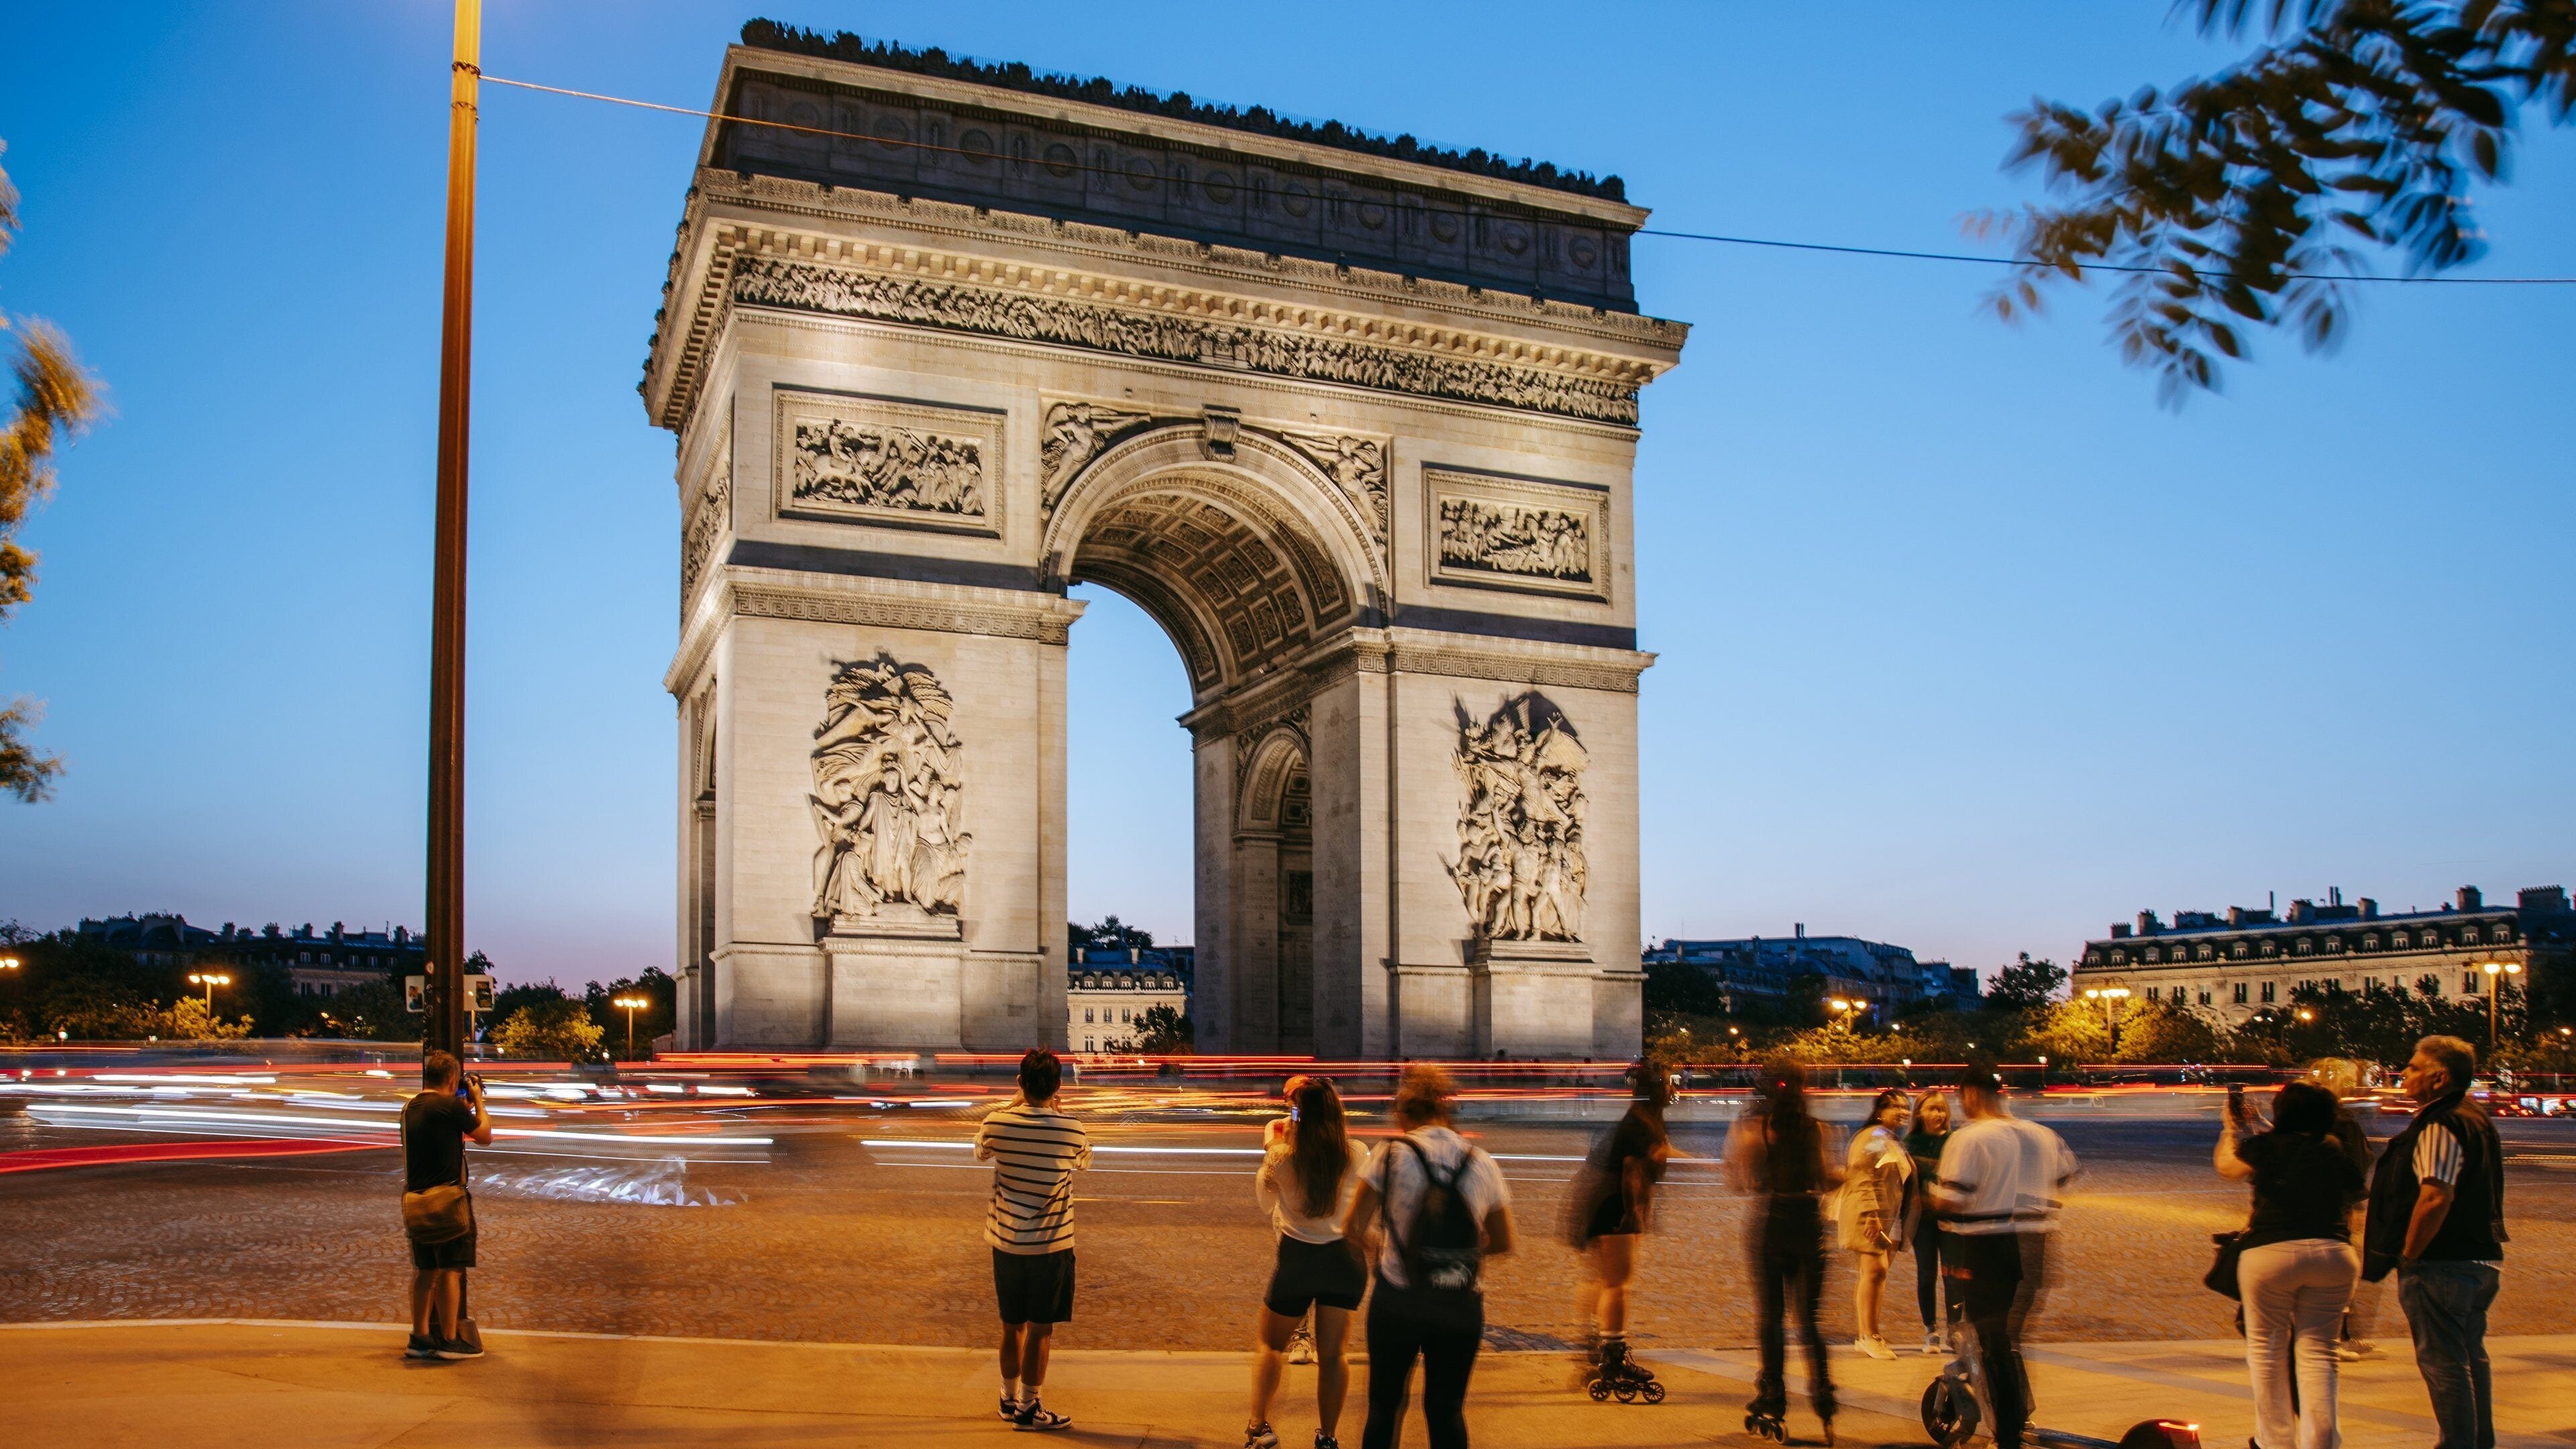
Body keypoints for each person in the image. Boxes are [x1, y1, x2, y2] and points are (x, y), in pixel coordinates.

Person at [1343, 1063, 1515, 1449]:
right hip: (1460, 1302)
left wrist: (1389, 1247)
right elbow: (1504, 1241)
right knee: (1447, 1410)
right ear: (1445, 1109)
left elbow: (1352, 1228)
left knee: (1384, 1408)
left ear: (1404, 1112)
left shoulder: (1389, 1154)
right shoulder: (1481, 1160)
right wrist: (1455, 1253)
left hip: (1398, 1301)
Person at [2363, 1036, 2506, 1449]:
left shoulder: (2440, 1124)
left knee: (2444, 1362)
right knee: (2469, 1354)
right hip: (2479, 1255)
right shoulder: (2475, 1116)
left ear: (2439, 1077)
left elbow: (2435, 1195)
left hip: (2442, 1261)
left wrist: (2409, 1254)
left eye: (2412, 1068)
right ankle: (2479, 1441)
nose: (2403, 1075)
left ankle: (2458, 1443)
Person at [1931, 1061, 2078, 1449]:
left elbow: (1952, 1200)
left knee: (1993, 1341)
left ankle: (2008, 1431)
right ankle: (2018, 1417)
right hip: (2039, 1242)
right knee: (2011, 1338)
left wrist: (1926, 1193)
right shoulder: (2042, 1134)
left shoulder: (1970, 1138)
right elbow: (2065, 1173)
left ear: (1972, 1095)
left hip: (1989, 1243)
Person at [2218, 1080, 2368, 1449]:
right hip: (2333, 1254)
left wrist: (2231, 1127)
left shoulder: (2266, 1147)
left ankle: (2276, 1442)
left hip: (2272, 1254)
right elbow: (2350, 1184)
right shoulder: (2334, 1147)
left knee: (2268, 1351)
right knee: (2319, 1352)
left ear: (2282, 1112)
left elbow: (2228, 1168)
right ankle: (2322, 1442)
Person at [1248, 1075, 1369, 1449]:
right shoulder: (1358, 1152)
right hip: (1345, 1261)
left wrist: (1273, 1142)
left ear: (1298, 1115)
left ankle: (1259, 1427)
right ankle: (1328, 1437)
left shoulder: (1282, 1157)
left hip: (1299, 1260)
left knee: (1270, 1346)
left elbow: (1265, 1198)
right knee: (1334, 1355)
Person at [976, 1047, 1092, 1433]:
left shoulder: (996, 1123)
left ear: (1020, 1083)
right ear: (1059, 1087)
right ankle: (1029, 1407)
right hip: (1051, 1247)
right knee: (1041, 1329)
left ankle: (1008, 1400)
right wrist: (1055, 1114)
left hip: (1007, 1242)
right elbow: (1083, 1160)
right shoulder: (1071, 1128)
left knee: (1012, 1325)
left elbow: (980, 1152)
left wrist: (1014, 1104)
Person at [1724, 1059, 1842, 1438]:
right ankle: (1823, 1395)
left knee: (1771, 1316)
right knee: (1809, 1320)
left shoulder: (1755, 1128)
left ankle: (1773, 1394)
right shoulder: (1818, 1130)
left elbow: (1739, 1181)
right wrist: (1854, 1172)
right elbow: (1826, 1181)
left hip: (1771, 1220)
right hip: (1808, 1223)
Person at [1568, 1061, 1672, 1391]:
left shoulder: (1644, 1119)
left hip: (1608, 1204)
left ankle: (1596, 1342)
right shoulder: (1641, 1124)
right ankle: (1613, 1358)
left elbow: (1645, 1157)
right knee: (1619, 1285)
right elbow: (1631, 1167)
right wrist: (1632, 1212)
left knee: (1605, 1280)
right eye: (1669, 1083)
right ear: (1655, 1089)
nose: (1673, 1089)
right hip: (1616, 1207)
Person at [402, 1049, 492, 1361]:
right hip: (448, 1200)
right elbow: (484, 1136)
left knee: (426, 1270)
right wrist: (478, 1101)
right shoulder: (449, 1106)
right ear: (452, 1079)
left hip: (416, 1200)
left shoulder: (410, 1107)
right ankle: (450, 1340)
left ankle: (419, 1336)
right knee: (452, 1269)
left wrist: (459, 1109)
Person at [1839, 1087, 1913, 1360]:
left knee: (1875, 1275)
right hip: (1867, 1215)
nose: (1903, 1111)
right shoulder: (1873, 1136)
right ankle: (1869, 1336)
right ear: (1880, 1111)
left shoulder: (1889, 1138)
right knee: (1875, 1272)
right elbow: (1861, 1174)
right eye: (1896, 1106)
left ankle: (1867, 1334)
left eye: (1906, 1106)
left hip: (1884, 1217)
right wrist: (1871, 1214)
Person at [1904, 1090, 1960, 1354]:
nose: (1939, 1114)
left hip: (1950, 1217)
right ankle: (1931, 1331)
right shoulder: (1909, 1143)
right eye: (1933, 1109)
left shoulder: (1955, 1141)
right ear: (1919, 1113)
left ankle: (1955, 1329)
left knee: (1953, 1277)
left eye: (1942, 1109)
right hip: (1923, 1220)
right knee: (1926, 1274)